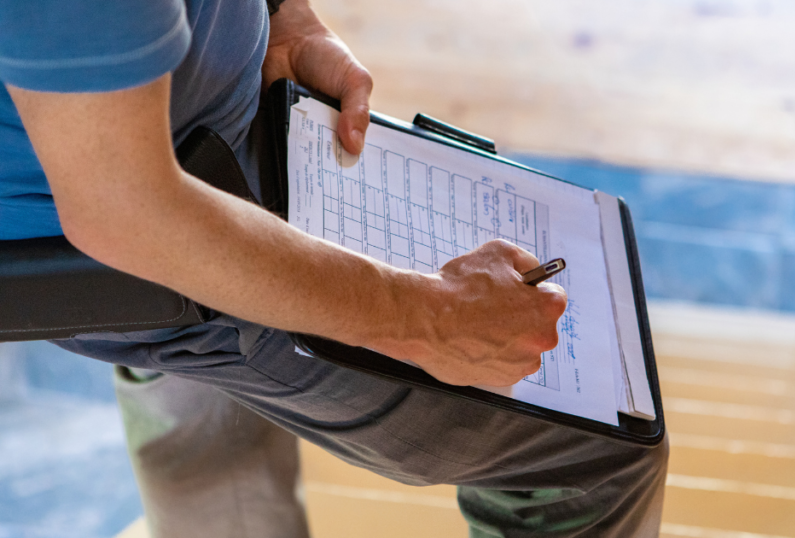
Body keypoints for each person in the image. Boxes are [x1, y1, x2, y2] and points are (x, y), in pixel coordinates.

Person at [0, 0, 669, 536]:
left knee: (207, 400)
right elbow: (127, 214)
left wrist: (286, 18)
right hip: (153, 236)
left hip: (226, 143)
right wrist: (426, 318)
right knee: (594, 460)